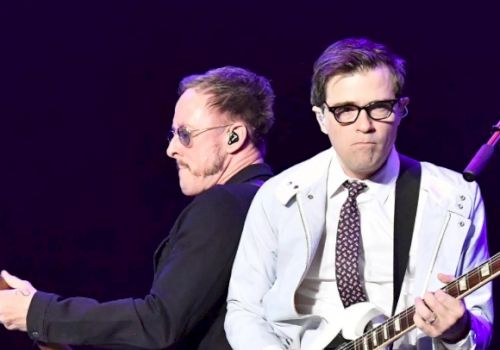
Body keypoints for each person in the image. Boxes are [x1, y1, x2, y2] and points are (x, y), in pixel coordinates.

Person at [225, 38, 493, 350]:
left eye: (379, 107)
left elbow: (481, 324)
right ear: (321, 118)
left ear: (402, 110)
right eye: (345, 110)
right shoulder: (277, 196)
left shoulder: (454, 198)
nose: (364, 125)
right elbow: (245, 309)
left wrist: (458, 331)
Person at [0, 66, 275, 349]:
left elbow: (159, 323)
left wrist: (37, 313)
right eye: (173, 135)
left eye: (185, 134)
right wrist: (46, 328)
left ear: (234, 137)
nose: (172, 149)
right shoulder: (268, 201)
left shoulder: (225, 206)